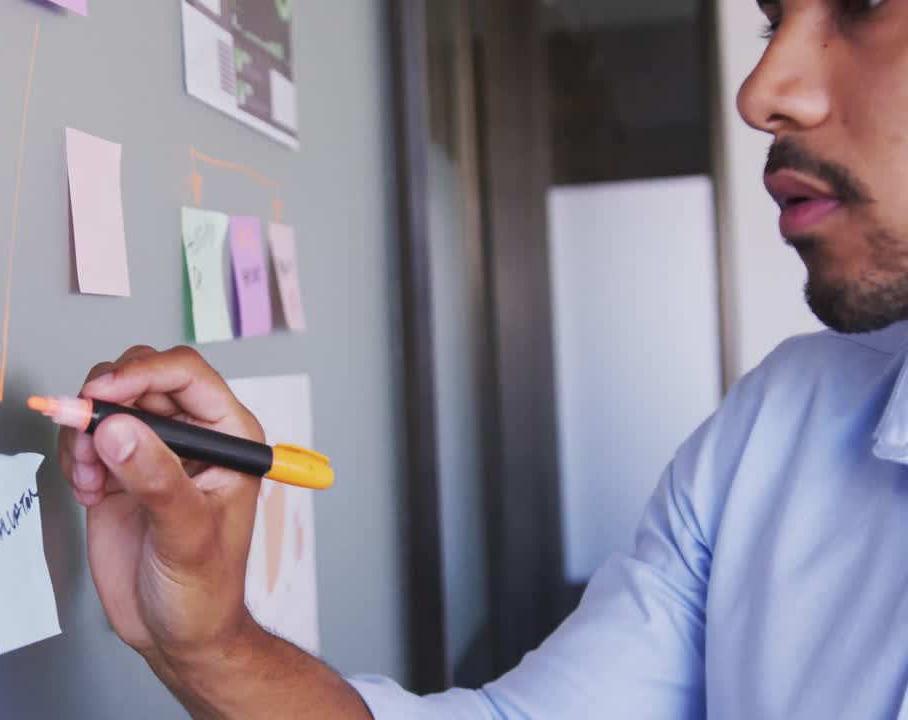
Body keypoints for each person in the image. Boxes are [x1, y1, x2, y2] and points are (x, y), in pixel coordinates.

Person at [56, 0, 908, 716]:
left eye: (863, 3)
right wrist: (209, 646)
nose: (762, 93)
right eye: (771, 22)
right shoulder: (782, 424)